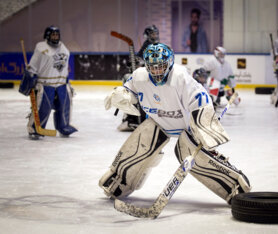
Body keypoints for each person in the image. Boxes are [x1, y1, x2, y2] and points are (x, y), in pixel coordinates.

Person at [99, 43, 251, 205]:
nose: (157, 71)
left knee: (192, 155)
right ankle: (120, 180)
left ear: (170, 63)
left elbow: (201, 97)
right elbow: (130, 89)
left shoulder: (179, 77)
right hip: (158, 123)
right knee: (141, 143)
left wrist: (204, 122)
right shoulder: (139, 76)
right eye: (153, 67)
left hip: (186, 125)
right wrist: (122, 94)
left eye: (161, 66)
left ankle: (233, 185)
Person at [19, 25, 77, 139]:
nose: (55, 37)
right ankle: (35, 128)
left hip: (61, 83)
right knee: (43, 108)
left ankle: (64, 126)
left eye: (57, 34)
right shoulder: (41, 48)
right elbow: (33, 66)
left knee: (65, 106)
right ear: (47, 35)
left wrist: (67, 82)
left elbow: (64, 68)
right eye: (53, 34)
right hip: (46, 84)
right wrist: (30, 77)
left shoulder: (64, 48)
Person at [117, 25, 159, 131]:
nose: (155, 36)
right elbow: (139, 59)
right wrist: (135, 62)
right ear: (147, 35)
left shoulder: (154, 46)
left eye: (155, 33)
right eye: (152, 34)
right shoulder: (148, 45)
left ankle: (133, 118)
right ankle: (133, 118)